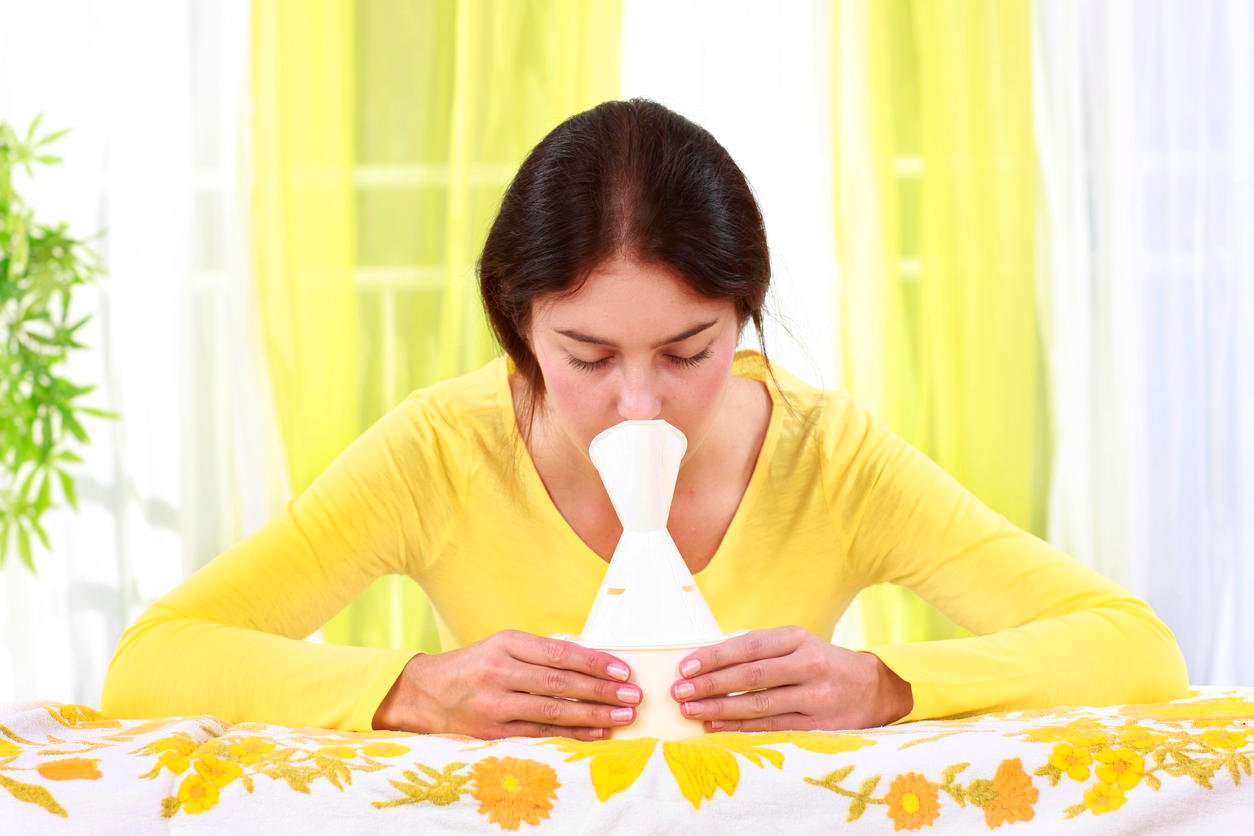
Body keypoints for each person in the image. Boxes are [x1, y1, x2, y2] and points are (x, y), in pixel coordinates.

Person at [101, 99, 1189, 740]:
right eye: (585, 357)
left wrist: (886, 685)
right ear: (518, 325)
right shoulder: (441, 451)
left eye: (688, 352)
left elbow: (1133, 650)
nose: (639, 403)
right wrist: (414, 691)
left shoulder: (829, 459)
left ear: (743, 316)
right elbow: (152, 664)